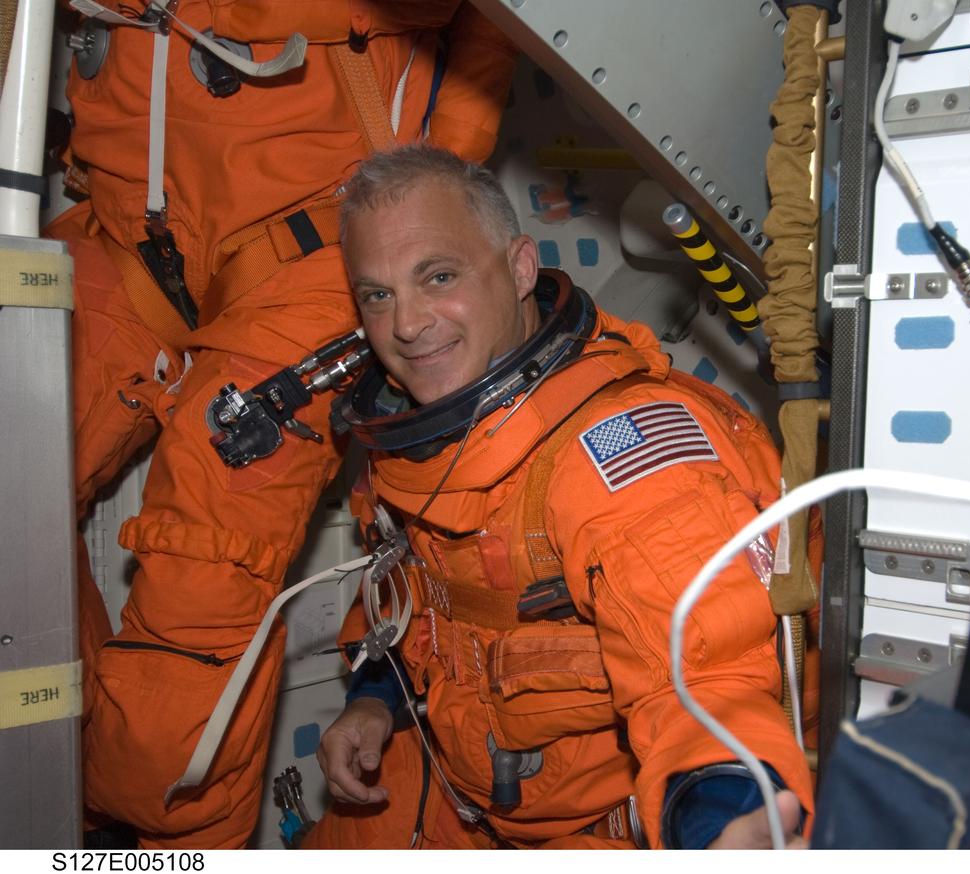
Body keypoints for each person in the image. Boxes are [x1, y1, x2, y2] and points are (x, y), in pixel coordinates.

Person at [45, 1, 516, 848]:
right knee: (13, 476)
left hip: (316, 238)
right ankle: (52, 806)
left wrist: (430, 197)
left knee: (202, 570)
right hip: (131, 227)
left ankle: (165, 854)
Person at [303, 144, 814, 849]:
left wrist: (722, 820)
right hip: (464, 783)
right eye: (377, 295)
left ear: (519, 269)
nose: (408, 325)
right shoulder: (413, 443)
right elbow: (414, 601)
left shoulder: (619, 451)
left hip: (615, 822)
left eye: (439, 276)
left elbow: (708, 676)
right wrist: (373, 701)